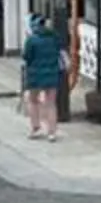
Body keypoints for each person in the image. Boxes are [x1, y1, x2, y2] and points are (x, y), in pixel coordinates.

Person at [19, 11, 67, 141]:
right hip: (52, 73)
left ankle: (36, 127)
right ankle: (52, 132)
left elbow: (26, 57)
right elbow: (60, 52)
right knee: (50, 103)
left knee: (33, 100)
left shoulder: (32, 40)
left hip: (35, 74)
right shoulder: (54, 38)